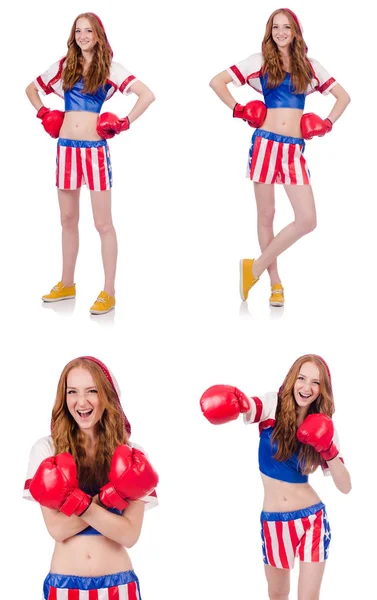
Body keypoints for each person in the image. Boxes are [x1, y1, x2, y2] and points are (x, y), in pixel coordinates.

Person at [209, 8, 350, 307]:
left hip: (293, 149)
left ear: (296, 32)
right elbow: (217, 82)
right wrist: (238, 109)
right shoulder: (258, 61)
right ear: (269, 31)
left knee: (307, 220)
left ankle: (255, 268)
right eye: (276, 27)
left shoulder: (310, 66)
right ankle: (275, 284)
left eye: (287, 27)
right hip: (264, 143)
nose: (281, 32)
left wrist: (327, 124)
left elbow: (344, 97)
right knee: (266, 215)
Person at [26, 13, 155, 315]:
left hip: (95, 150)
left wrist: (123, 123)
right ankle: (67, 283)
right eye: (78, 31)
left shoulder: (110, 67)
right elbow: (30, 89)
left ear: (98, 34)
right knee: (68, 220)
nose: (83, 36)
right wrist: (44, 113)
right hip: (66, 148)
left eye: (88, 31)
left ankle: (109, 291)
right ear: (74, 36)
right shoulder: (64, 66)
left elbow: (146, 95)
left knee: (102, 223)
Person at [200, 354, 351, 600]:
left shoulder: (325, 426)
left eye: (315, 382)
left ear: (322, 390)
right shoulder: (273, 405)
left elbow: (345, 486)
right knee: (278, 594)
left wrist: (329, 450)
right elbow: (248, 405)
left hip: (312, 520)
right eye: (302, 378)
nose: (306, 387)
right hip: (273, 521)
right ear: (293, 379)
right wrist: (236, 401)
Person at [23, 356, 158, 600]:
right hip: (64, 586)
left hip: (120, 585)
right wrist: (110, 498)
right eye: (72, 391)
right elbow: (58, 530)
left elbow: (129, 535)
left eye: (92, 391)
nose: (81, 401)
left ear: (107, 396)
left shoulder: (132, 455)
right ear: (63, 399)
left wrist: (79, 505)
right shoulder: (47, 451)